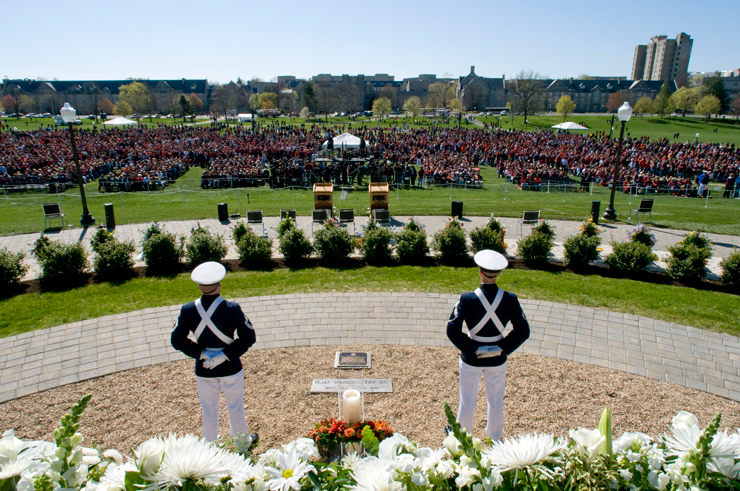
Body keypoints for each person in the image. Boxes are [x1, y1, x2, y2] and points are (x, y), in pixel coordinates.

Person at [446, 250, 530, 440]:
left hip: (471, 358)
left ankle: (462, 438)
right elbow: (523, 331)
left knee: (467, 400)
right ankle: (495, 439)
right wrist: (502, 348)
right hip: (498, 359)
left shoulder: (466, 299)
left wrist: (471, 348)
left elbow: (452, 330)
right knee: (496, 401)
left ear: (479, 272)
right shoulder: (510, 299)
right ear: (499, 273)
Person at [171, 261, 258, 443]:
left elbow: (176, 340)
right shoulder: (232, 308)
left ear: (199, 286)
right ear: (219, 286)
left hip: (204, 368)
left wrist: (202, 353)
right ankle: (242, 443)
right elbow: (248, 337)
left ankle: (210, 445)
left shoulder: (187, 310)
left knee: (209, 409)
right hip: (230, 366)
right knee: (235, 407)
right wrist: (225, 355)